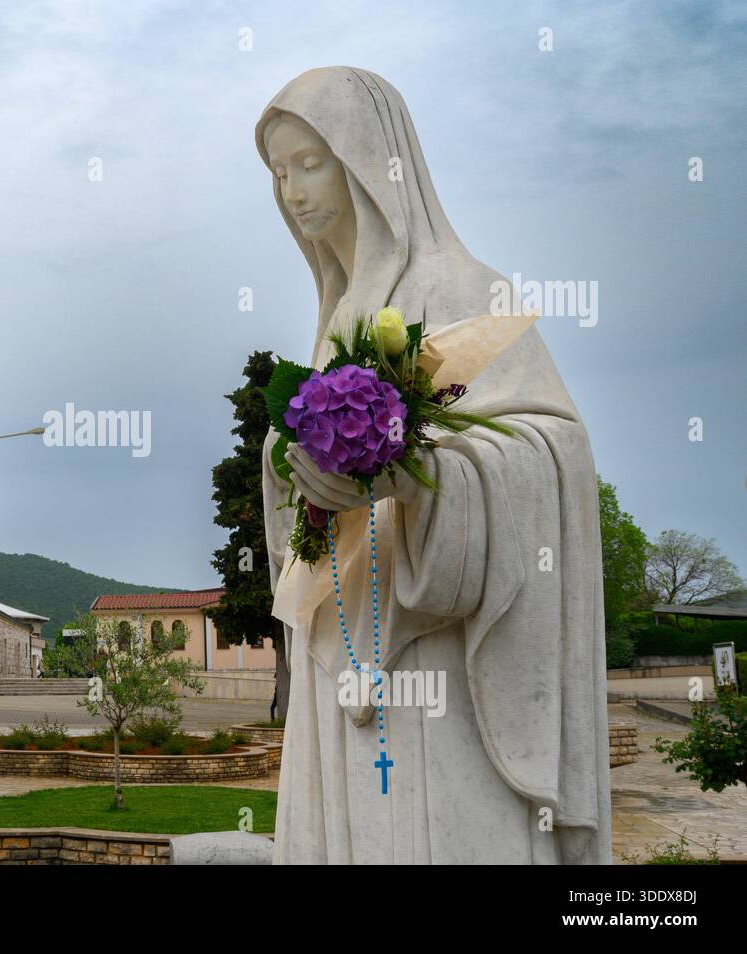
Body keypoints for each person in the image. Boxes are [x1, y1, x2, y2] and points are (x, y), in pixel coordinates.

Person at [256, 67, 609, 864]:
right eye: (280, 172)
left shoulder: (465, 288)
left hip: (446, 672)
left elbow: (556, 454)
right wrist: (290, 466)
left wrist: (417, 478)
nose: (292, 190)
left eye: (311, 162)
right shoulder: (338, 316)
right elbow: (305, 505)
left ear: (370, 161)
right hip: (347, 649)